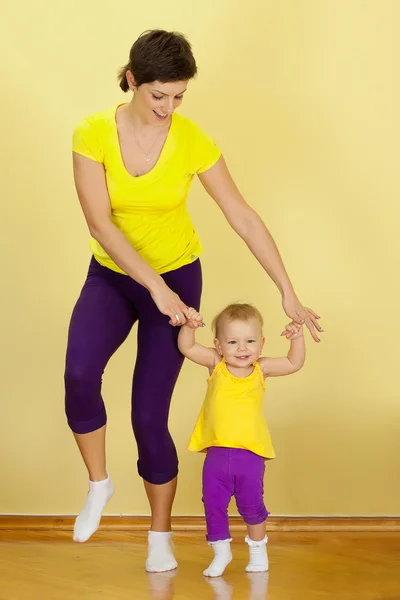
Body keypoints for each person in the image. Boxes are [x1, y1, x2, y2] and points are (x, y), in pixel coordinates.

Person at [65, 29, 322, 572]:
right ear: (132, 79)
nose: (168, 108)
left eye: (179, 97)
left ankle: (159, 535)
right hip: (113, 276)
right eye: (159, 95)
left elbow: (242, 216)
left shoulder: (192, 139)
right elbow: (99, 223)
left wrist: (287, 289)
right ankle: (99, 484)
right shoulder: (91, 134)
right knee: (79, 375)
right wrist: (153, 289)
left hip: (180, 275)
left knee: (148, 414)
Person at [178, 303, 306, 577]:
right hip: (217, 454)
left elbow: (294, 363)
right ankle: (221, 552)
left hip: (250, 455)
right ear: (219, 345)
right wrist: (188, 328)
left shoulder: (262, 369)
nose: (242, 348)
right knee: (213, 504)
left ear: (261, 343)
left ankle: (258, 550)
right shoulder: (216, 365)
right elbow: (188, 348)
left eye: (249, 341)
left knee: (251, 505)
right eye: (233, 342)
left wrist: (297, 338)